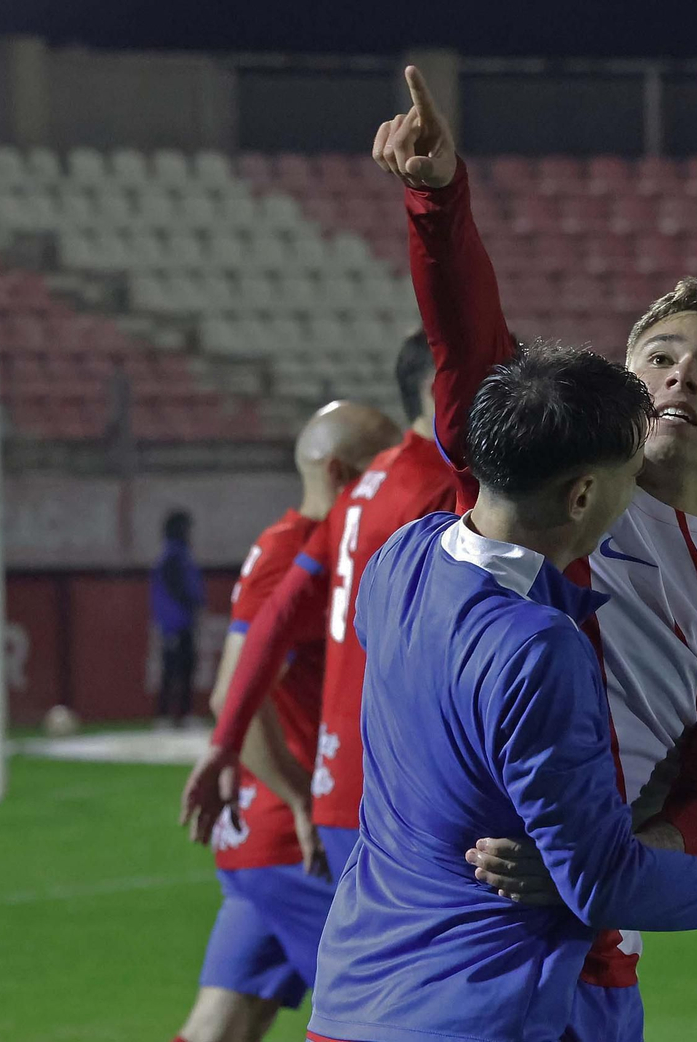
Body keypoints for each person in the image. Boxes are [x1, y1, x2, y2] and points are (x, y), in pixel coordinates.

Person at [372, 66, 697, 1040]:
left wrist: (611, 861)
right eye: (658, 357)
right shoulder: (548, 498)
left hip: (597, 946)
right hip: (462, 930)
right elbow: (471, 350)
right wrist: (438, 200)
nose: (680, 377)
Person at [307, 342, 697, 1042]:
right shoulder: (539, 647)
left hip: (353, 999)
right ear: (584, 495)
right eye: (629, 477)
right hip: (484, 1009)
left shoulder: (405, 556)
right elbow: (606, 884)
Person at [189, 330, 458, 878]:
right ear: (442, 387)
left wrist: (224, 743)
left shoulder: (364, 491)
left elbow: (276, 618)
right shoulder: (445, 487)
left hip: (338, 789)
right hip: (403, 796)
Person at [173, 401, 399, 1042]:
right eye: (377, 467)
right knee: (380, 1013)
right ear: (338, 471)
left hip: (261, 839)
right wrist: (302, 798)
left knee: (224, 1023)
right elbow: (230, 699)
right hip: (291, 839)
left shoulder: (297, 545)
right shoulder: (295, 553)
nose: (388, 479)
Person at [152, 509, 205, 729]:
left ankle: (182, 714)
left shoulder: (181, 554)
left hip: (182, 621)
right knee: (173, 669)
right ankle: (164, 715)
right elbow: (178, 588)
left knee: (186, 668)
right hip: (174, 622)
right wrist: (194, 604)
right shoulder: (172, 556)